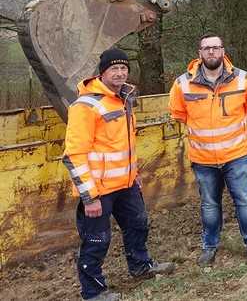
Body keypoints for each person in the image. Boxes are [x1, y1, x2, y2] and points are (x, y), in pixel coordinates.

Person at [63, 48, 174, 301]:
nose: (120, 73)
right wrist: (89, 197)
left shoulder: (123, 99)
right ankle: (93, 292)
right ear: (102, 72)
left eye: (124, 68)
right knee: (97, 240)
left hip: (125, 185)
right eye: (114, 68)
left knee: (138, 225)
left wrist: (133, 174)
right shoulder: (85, 105)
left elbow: (124, 144)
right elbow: (75, 154)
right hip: (99, 190)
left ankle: (141, 266)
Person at [168, 34, 247, 269]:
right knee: (209, 205)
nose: (211, 52)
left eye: (216, 48)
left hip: (237, 156)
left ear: (223, 51)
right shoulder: (182, 84)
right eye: (207, 48)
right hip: (203, 159)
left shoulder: (243, 79)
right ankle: (210, 246)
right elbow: (179, 115)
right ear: (200, 53)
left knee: (246, 203)